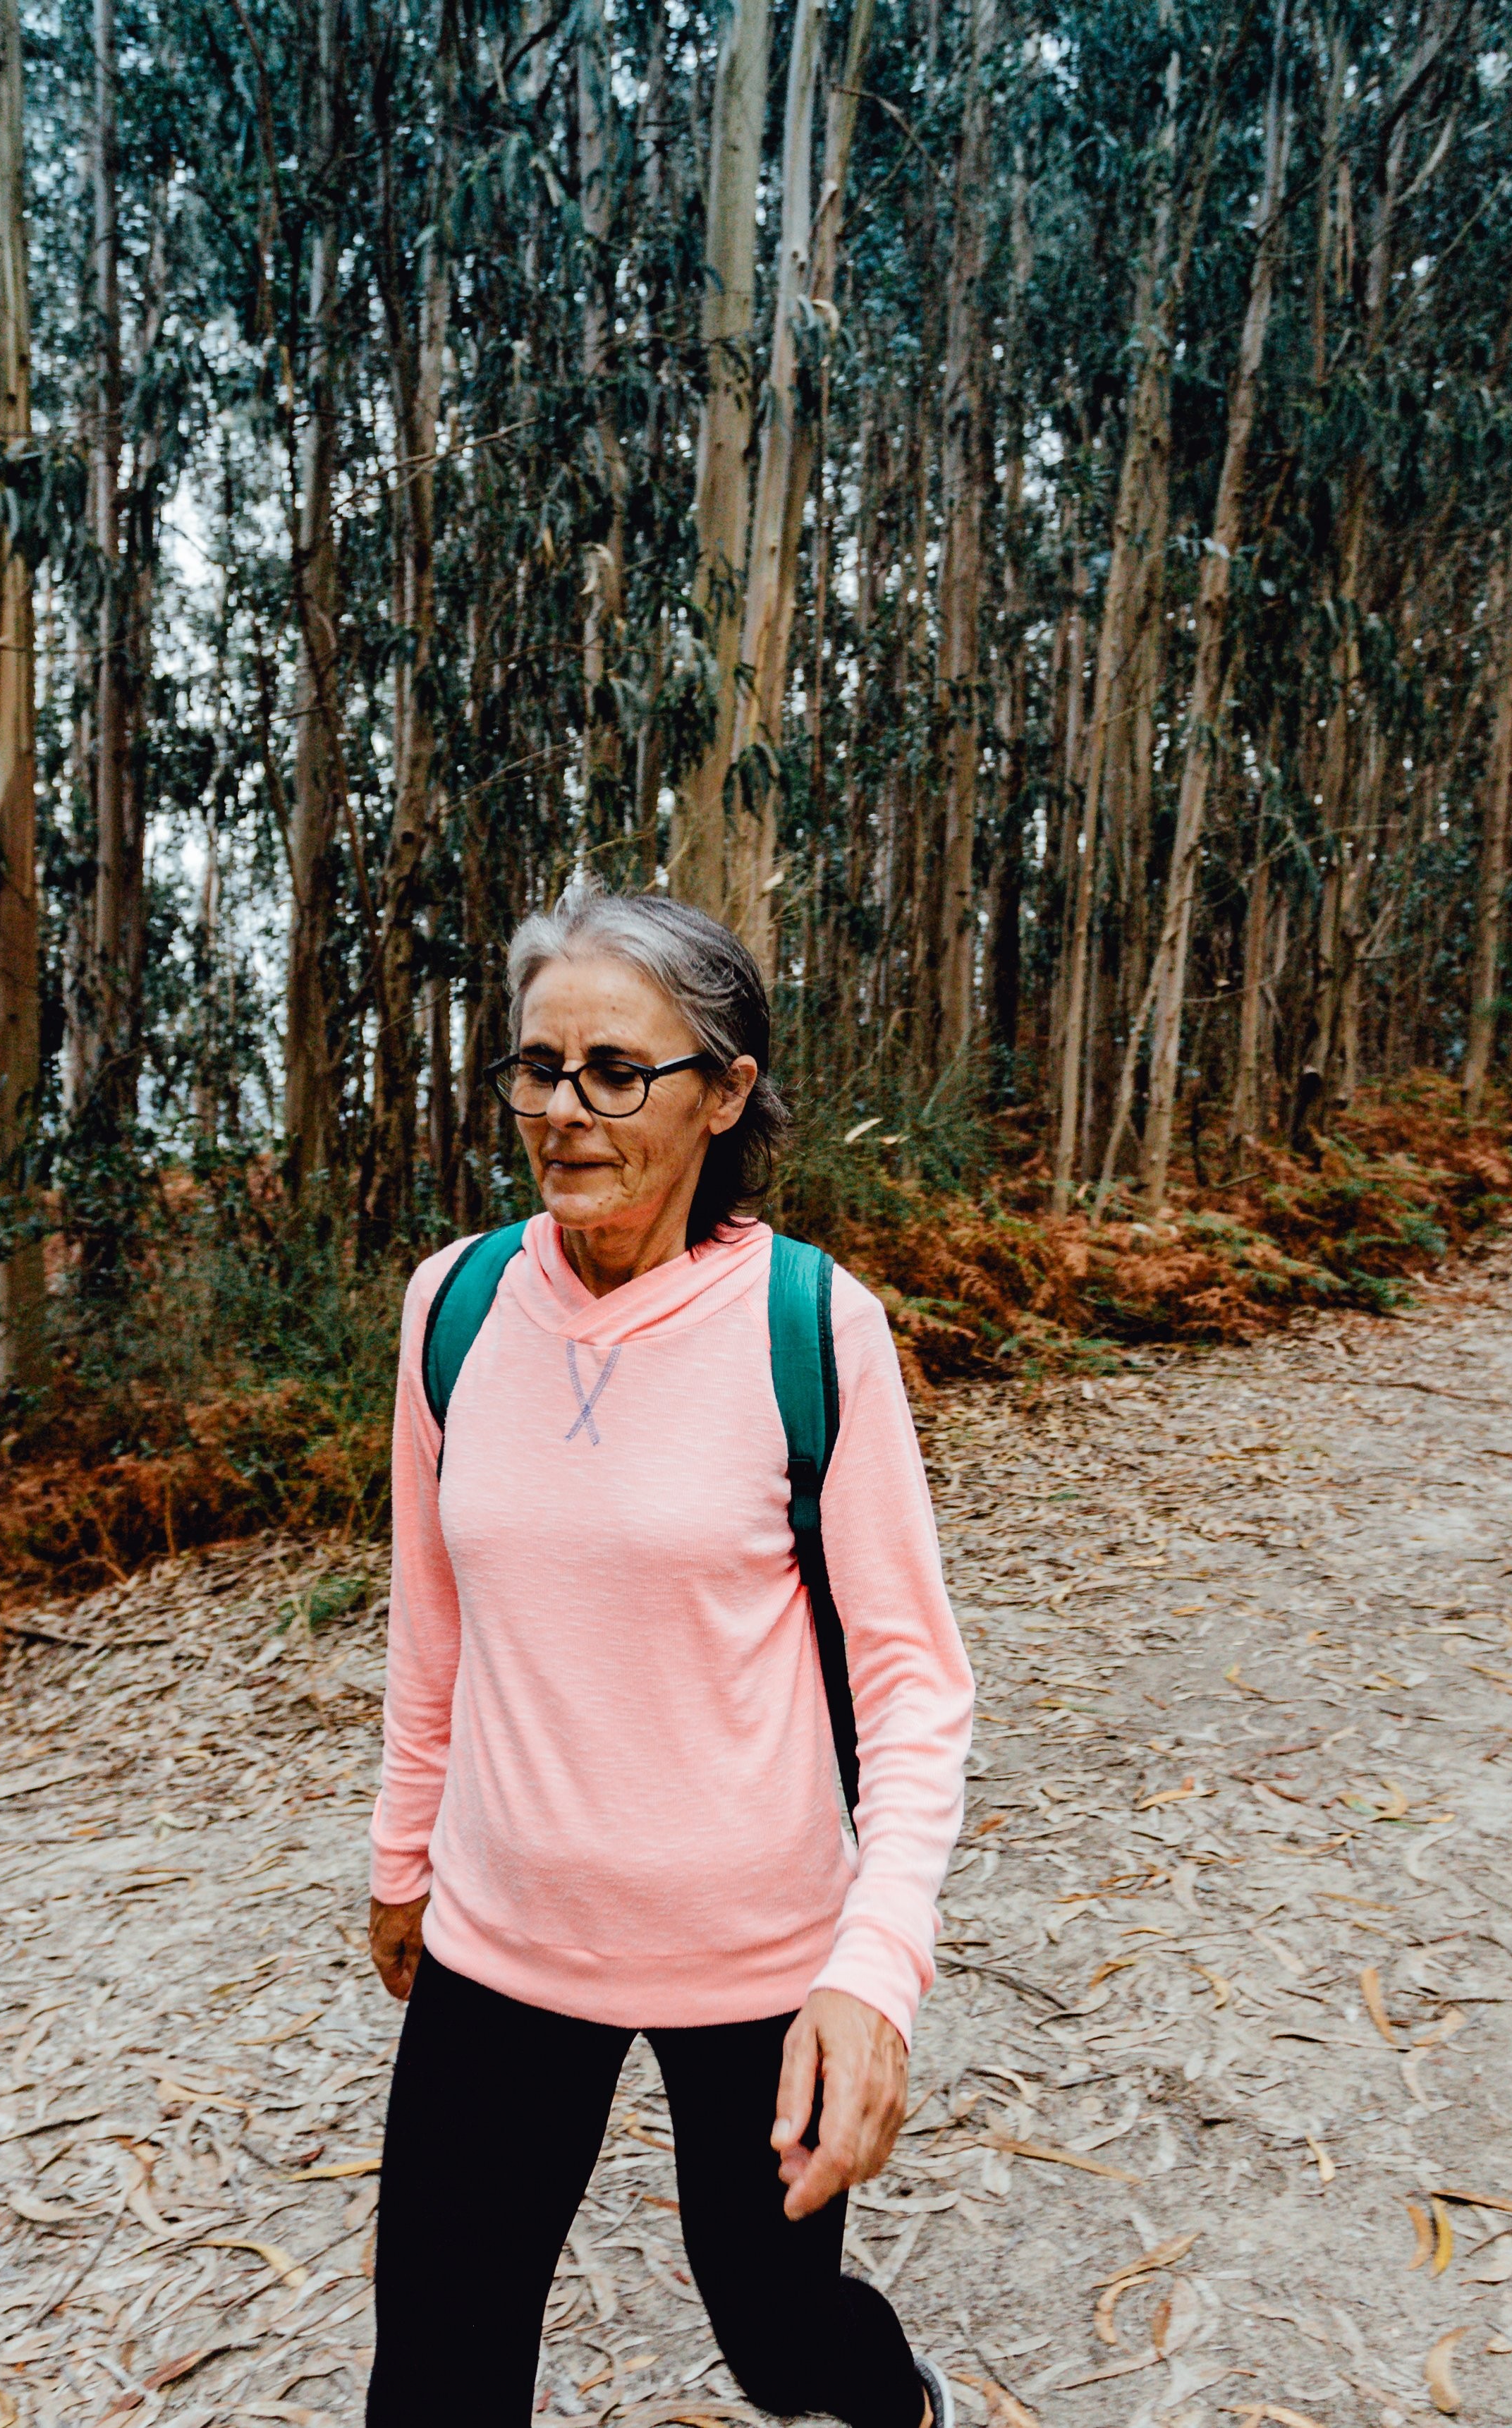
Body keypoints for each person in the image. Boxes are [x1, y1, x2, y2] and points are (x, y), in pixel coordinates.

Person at [364, 886, 977, 2427]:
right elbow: (432, 1610)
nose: (565, 1112)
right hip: (501, 1947)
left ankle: (900, 2401)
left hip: (754, 1960)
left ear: (722, 1090)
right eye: (537, 1065)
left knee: (781, 2345)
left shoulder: (810, 1323)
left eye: (617, 1071)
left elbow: (911, 1679)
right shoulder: (453, 1304)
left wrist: (873, 1972)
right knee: (432, 2380)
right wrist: (400, 1855)